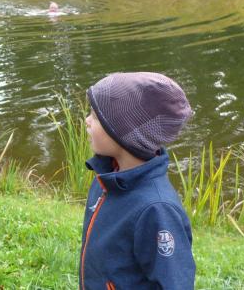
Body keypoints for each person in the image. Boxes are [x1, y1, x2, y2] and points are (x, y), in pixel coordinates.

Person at [80, 72, 195, 290]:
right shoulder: (106, 179)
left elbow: (174, 283)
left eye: (95, 116)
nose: (87, 120)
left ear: (122, 132)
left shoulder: (157, 210)